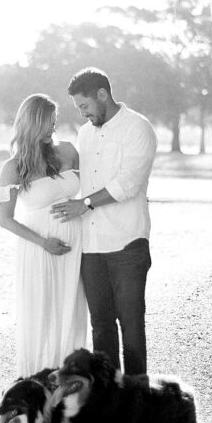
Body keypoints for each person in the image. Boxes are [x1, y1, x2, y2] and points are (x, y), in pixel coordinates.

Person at [50, 67, 157, 375]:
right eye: (78, 108)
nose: (83, 114)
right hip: (91, 247)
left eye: (85, 106)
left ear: (102, 94)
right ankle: (108, 394)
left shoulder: (137, 127)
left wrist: (84, 204)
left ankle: (136, 396)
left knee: (131, 326)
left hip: (127, 244)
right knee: (100, 327)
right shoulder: (85, 134)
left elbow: (128, 184)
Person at [0, 94, 89, 377]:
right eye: (48, 122)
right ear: (32, 123)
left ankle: (70, 381)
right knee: (41, 314)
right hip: (38, 249)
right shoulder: (13, 168)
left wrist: (83, 206)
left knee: (71, 312)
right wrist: (43, 243)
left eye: (54, 122)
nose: (53, 128)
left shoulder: (69, 151)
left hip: (75, 246)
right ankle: (36, 383)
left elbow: (91, 190)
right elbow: (5, 220)